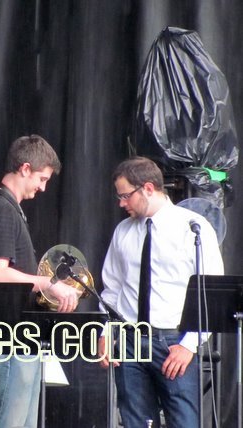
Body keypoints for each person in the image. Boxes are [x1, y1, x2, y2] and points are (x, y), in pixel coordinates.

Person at [98, 156, 224, 428]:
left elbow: (209, 293)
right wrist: (106, 332)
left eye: (125, 196)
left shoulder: (193, 228)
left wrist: (189, 345)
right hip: (130, 339)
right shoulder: (123, 231)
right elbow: (112, 289)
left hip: (174, 340)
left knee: (184, 421)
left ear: (148, 188)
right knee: (136, 421)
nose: (121, 204)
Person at [0, 134, 82, 428]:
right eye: (42, 179)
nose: (43, 187)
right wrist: (48, 283)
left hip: (19, 338)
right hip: (7, 339)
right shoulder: (0, 209)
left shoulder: (8, 208)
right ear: (24, 169)